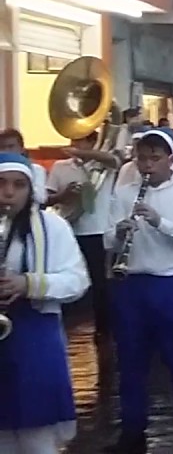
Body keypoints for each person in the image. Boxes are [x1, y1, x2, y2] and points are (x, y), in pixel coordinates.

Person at [104, 130, 173, 453]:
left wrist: (159, 221)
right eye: (142, 158)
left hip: (172, 283)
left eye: (155, 158)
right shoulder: (123, 193)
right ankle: (132, 430)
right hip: (132, 284)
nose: (147, 165)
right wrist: (120, 232)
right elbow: (107, 240)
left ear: (170, 159)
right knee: (131, 362)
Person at [0, 152, 89, 454]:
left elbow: (78, 281)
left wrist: (30, 283)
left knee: (37, 438)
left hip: (34, 339)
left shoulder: (53, 227)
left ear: (30, 189)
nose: (8, 193)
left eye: (18, 185)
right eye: (0, 184)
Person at [45, 130, 119, 340]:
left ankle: (104, 330)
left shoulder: (102, 166)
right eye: (73, 140)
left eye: (80, 141)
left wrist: (88, 155)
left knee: (100, 285)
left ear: (93, 142)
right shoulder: (61, 167)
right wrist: (64, 195)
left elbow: (114, 159)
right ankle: (65, 326)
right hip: (69, 229)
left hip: (98, 232)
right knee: (66, 276)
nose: (74, 145)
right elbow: (47, 198)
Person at [0, 130, 46, 207]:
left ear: (22, 149)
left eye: (11, 147)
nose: (6, 151)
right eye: (2, 147)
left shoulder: (36, 169)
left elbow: (40, 198)